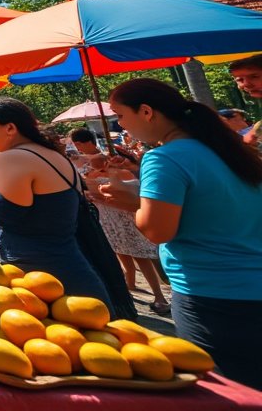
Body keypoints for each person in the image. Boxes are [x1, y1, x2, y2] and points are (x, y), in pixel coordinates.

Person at [99, 78, 262, 389]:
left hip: (213, 296)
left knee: (232, 392)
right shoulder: (228, 150)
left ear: (146, 112)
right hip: (250, 285)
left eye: (120, 115)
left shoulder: (164, 157)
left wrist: (132, 204)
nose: (120, 124)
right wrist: (141, 198)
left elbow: (157, 230)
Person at [0, 97, 110, 303]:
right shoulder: (50, 154)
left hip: (42, 282)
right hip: (68, 273)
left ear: (10, 128)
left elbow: (4, 221)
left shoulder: (11, 158)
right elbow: (28, 225)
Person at [69, 127, 169, 315]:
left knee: (139, 254)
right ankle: (130, 286)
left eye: (78, 144)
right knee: (120, 253)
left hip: (123, 213)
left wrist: (109, 174)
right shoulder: (81, 161)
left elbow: (130, 186)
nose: (77, 148)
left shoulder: (111, 156)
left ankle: (159, 296)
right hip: (106, 215)